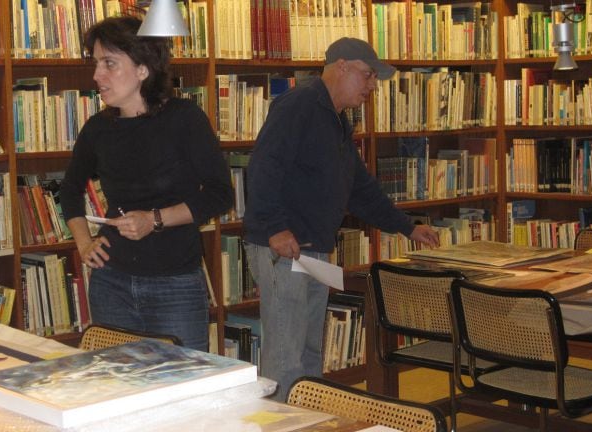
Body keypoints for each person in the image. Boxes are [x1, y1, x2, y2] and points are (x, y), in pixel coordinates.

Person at [243, 37, 441, 401]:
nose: (371, 86)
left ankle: (306, 422)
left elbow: (359, 187)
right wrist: (275, 228)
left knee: (308, 354)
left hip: (311, 251)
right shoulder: (299, 105)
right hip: (284, 249)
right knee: (286, 356)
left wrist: (407, 227)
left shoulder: (337, 121)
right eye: (367, 76)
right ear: (342, 67)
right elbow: (262, 169)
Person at [60, 16, 233, 352]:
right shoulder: (97, 128)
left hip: (175, 283)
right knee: (118, 385)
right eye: (96, 64)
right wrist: (83, 244)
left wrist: (153, 219)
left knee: (184, 385)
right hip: (111, 281)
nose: (97, 75)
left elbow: (219, 194)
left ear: (143, 69)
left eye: (109, 63)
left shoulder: (184, 119)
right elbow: (69, 189)